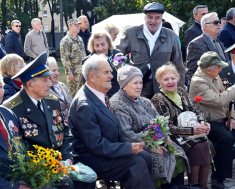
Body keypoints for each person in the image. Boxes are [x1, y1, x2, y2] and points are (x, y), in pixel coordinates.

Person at [3, 52, 95, 189]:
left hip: (61, 162)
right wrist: (52, 165)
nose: (50, 84)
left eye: (49, 79)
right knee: (66, 184)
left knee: (88, 180)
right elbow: (18, 148)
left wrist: (67, 159)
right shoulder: (12, 109)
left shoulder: (52, 101)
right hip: (37, 168)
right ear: (30, 84)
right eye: (45, 80)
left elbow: (64, 132)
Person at [68, 54, 156, 189]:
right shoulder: (84, 105)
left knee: (145, 156)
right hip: (93, 158)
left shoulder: (97, 94)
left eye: (110, 71)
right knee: (136, 162)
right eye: (106, 72)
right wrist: (127, 148)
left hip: (106, 152)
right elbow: (95, 145)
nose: (112, 76)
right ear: (91, 76)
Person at [110, 65, 190, 188]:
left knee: (178, 152)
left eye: (141, 82)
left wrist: (165, 136)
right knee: (162, 160)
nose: (139, 86)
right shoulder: (117, 104)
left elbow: (159, 121)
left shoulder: (143, 101)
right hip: (137, 147)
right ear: (124, 85)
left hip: (156, 141)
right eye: (135, 83)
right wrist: (150, 147)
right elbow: (126, 134)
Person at [151, 64, 215, 189]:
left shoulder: (181, 91)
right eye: (166, 79)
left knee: (208, 144)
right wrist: (192, 130)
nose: (170, 82)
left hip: (192, 133)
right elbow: (167, 128)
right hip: (173, 138)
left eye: (173, 78)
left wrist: (202, 122)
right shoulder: (158, 99)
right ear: (159, 82)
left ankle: (203, 186)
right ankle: (193, 186)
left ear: (178, 78)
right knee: (198, 147)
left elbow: (195, 109)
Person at [118, 2, 185, 100]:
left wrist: (178, 90)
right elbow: (117, 55)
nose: (153, 21)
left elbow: (178, 65)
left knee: (162, 115)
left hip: (163, 87)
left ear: (161, 19)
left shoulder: (171, 36)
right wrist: (124, 75)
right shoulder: (132, 33)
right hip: (139, 87)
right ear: (145, 18)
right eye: (150, 17)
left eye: (157, 18)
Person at [189, 51, 234, 189]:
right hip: (207, 122)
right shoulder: (198, 82)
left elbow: (229, 100)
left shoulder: (213, 76)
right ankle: (217, 178)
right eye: (218, 67)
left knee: (228, 136)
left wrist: (232, 117)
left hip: (222, 119)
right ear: (209, 69)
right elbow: (220, 100)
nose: (221, 69)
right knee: (225, 138)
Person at [0, 69, 30, 189]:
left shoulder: (7, 113)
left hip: (24, 177)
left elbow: (21, 146)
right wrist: (15, 187)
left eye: (0, 86)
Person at [186, 12, 230, 87]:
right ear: (206, 26)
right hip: (207, 90)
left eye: (219, 22)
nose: (219, 24)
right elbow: (192, 73)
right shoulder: (195, 44)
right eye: (216, 23)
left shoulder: (218, 41)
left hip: (223, 88)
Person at [82, 30, 122, 98]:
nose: (100, 48)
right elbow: (86, 86)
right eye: (97, 45)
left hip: (118, 96)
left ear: (108, 43)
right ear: (93, 46)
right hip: (98, 98)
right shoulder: (87, 62)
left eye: (103, 44)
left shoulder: (118, 56)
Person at [60, 18, 86, 99]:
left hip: (82, 72)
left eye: (78, 25)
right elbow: (65, 58)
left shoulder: (80, 39)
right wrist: (69, 73)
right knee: (73, 96)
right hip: (73, 73)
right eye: (76, 25)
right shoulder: (65, 40)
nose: (78, 27)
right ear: (70, 27)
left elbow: (83, 55)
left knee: (82, 94)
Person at [47, 56, 72, 121]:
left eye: (57, 70)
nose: (58, 73)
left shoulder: (62, 86)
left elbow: (72, 106)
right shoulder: (45, 90)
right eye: (54, 70)